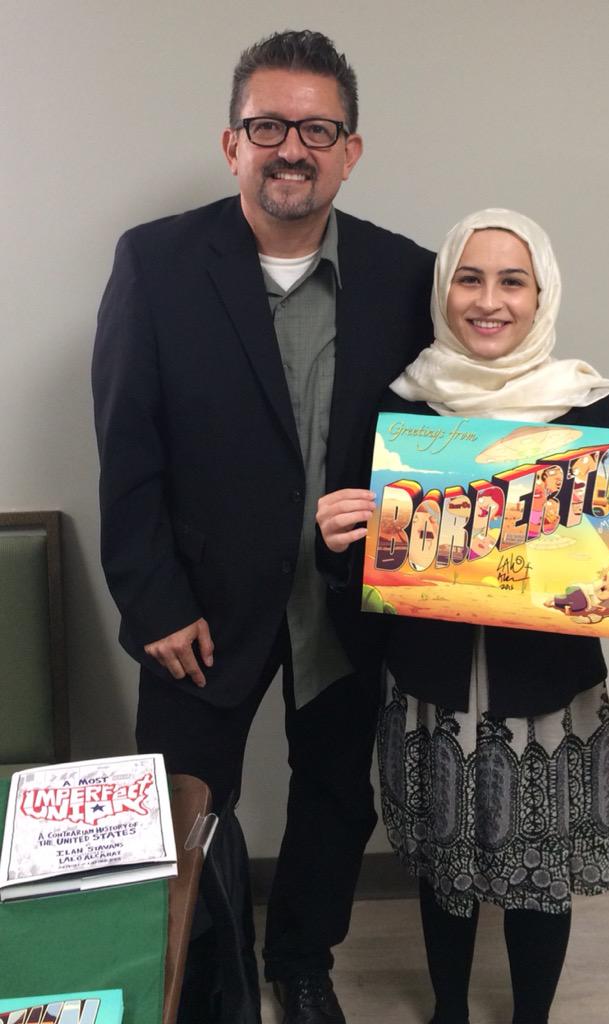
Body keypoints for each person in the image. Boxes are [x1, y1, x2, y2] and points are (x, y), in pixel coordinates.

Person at [317, 208, 609, 1024]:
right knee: (444, 871)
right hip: (430, 688)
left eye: (513, 281)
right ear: (444, 291)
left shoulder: (590, 405)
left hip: (549, 694)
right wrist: (336, 543)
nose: (489, 300)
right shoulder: (406, 405)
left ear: (542, 295)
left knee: (542, 877)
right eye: (469, 279)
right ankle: (448, 1012)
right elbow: (372, 561)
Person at [92, 29, 434, 1024]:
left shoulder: (405, 274)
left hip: (345, 603)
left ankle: (302, 962)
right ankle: (203, 979)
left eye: (317, 129)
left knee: (335, 797)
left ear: (350, 149)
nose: (292, 147)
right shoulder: (156, 263)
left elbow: (454, 429)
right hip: (197, 608)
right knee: (187, 807)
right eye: (268, 125)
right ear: (231, 141)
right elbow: (126, 443)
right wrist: (151, 600)